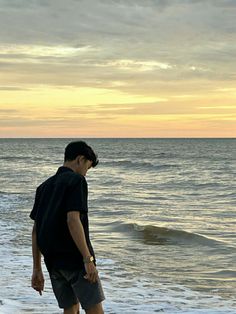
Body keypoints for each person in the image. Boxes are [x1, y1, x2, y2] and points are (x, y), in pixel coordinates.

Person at [30, 141, 105, 314]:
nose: (86, 173)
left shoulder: (43, 187)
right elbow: (73, 220)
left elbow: (36, 231)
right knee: (95, 311)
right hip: (76, 260)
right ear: (80, 159)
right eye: (87, 167)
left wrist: (37, 269)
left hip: (54, 264)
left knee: (70, 310)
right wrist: (88, 259)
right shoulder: (77, 181)